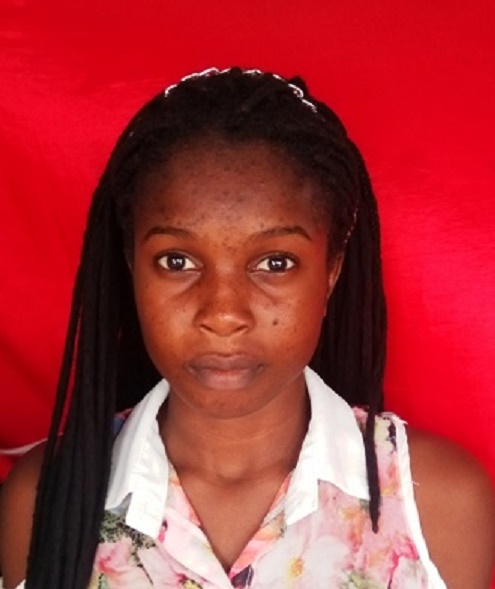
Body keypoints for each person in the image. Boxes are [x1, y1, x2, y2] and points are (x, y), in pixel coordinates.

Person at [0, 67, 494, 589]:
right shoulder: (45, 499)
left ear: (331, 271)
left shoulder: (436, 505)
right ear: (131, 266)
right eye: (176, 261)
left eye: (275, 263)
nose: (223, 314)